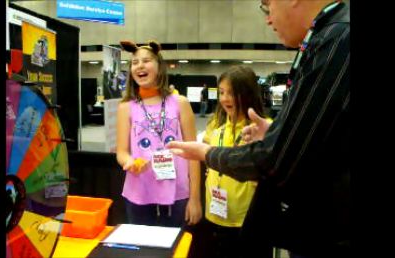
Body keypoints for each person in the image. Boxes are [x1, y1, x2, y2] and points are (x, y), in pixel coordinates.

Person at [166, 0, 350, 257]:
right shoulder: (328, 37)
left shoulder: (338, 39)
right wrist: (278, 134)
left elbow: (274, 161)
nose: (268, 19)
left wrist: (207, 153)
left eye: (267, 5)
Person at [116, 40, 202, 227]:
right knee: (143, 251)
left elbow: (194, 154)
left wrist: (195, 198)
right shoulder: (126, 107)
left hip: (177, 193)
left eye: (146, 60)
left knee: (174, 251)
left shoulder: (180, 103)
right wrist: (128, 162)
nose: (140, 66)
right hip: (138, 191)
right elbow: (121, 152)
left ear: (159, 66)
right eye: (135, 62)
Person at [197, 65, 267, 258]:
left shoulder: (261, 129)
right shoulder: (215, 127)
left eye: (232, 93)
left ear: (247, 94)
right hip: (215, 214)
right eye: (222, 92)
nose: (225, 98)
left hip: (247, 219)